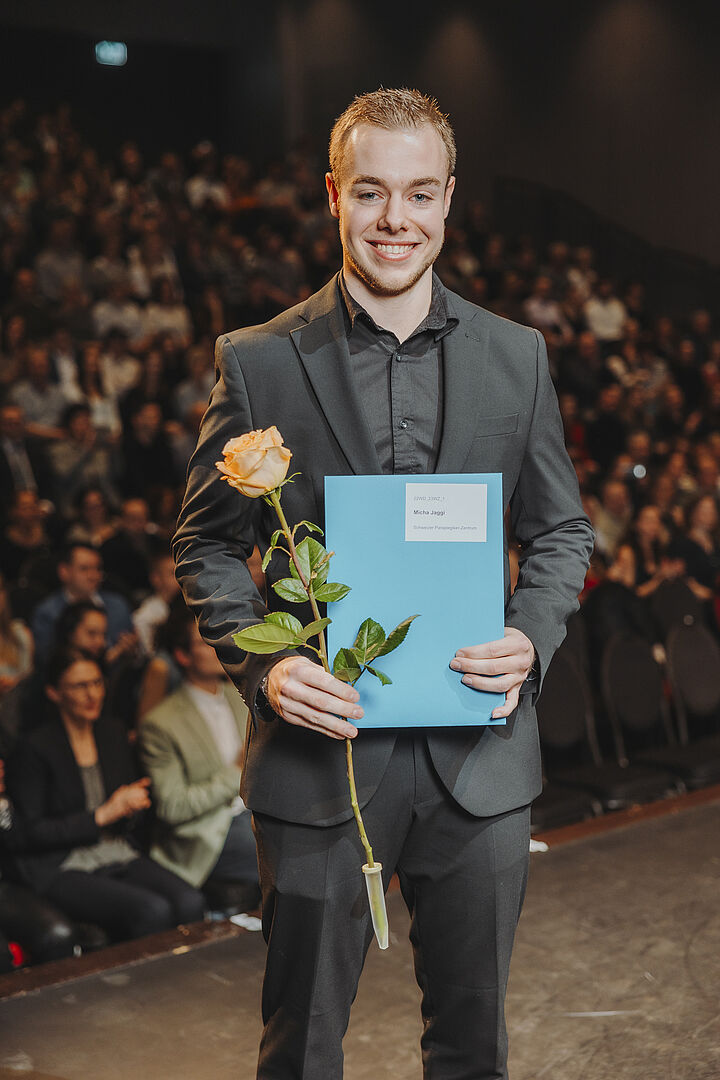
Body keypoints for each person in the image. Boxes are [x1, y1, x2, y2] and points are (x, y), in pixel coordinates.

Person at [173, 88, 594, 1079]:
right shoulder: (258, 362)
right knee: (303, 1051)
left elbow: (561, 529)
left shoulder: (517, 355)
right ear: (334, 196)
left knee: (473, 1049)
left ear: (448, 199)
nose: (395, 218)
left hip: (480, 763)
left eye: (418, 193)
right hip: (320, 763)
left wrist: (529, 637)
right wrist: (267, 672)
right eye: (370, 192)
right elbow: (205, 545)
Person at [6, 649, 204, 943]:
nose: (92, 694)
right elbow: (30, 833)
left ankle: (188, 973)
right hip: (63, 863)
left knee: (190, 901)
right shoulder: (34, 748)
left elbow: (128, 812)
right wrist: (101, 816)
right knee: (152, 910)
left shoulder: (111, 733)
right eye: (80, 686)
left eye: (97, 683)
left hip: (115, 850)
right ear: (54, 692)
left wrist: (134, 806)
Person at [139, 609, 259, 912]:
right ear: (182, 655)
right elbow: (173, 806)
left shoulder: (240, 697)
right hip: (208, 832)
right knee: (275, 849)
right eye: (205, 641)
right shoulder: (161, 723)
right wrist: (236, 772)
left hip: (253, 811)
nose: (218, 646)